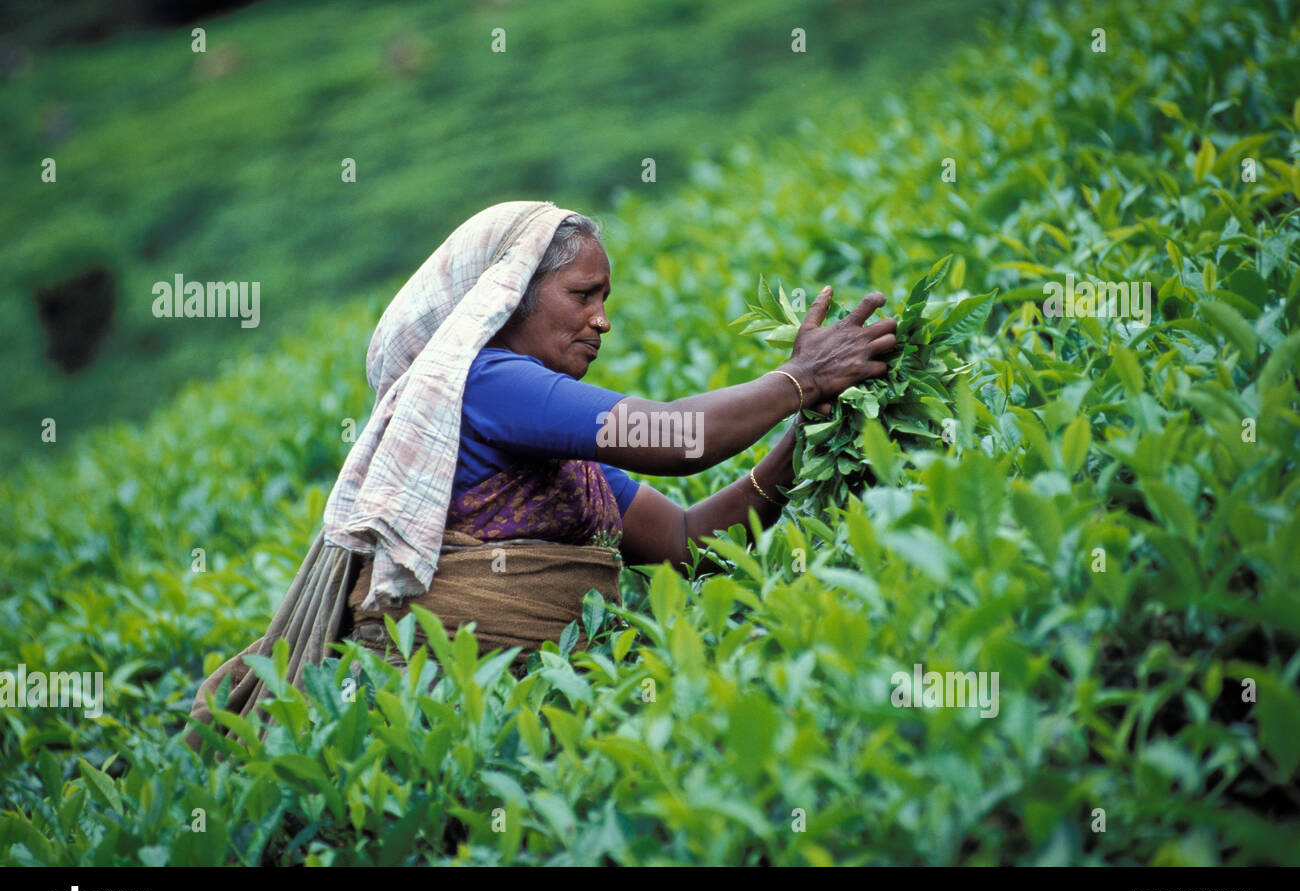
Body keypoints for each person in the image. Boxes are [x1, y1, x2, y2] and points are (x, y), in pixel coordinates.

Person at [185, 200, 896, 749]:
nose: (601, 321)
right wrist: (801, 377)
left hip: (529, 714)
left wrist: (809, 433)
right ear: (511, 296)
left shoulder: (553, 452)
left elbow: (686, 543)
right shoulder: (488, 381)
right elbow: (682, 436)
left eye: (605, 300)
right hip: (441, 723)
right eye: (583, 295)